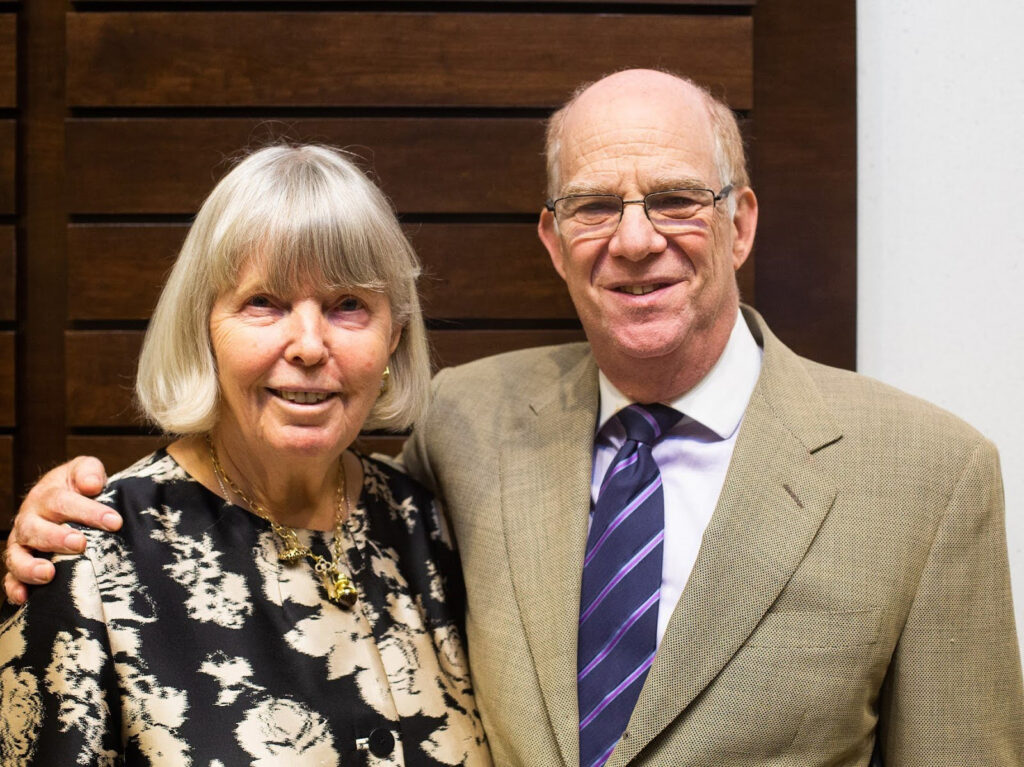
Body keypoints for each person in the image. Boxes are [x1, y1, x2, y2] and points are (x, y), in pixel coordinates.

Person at [6, 70, 1023, 765]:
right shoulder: (469, 425)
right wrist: (54, 532)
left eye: (674, 199)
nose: (634, 241)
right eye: (592, 205)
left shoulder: (929, 474)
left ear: (740, 220)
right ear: (550, 238)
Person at [0, 144, 490, 765]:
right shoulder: (91, 555)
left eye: (348, 306)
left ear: (393, 336)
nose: (309, 345)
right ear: (204, 326)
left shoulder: (428, 524)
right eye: (265, 302)